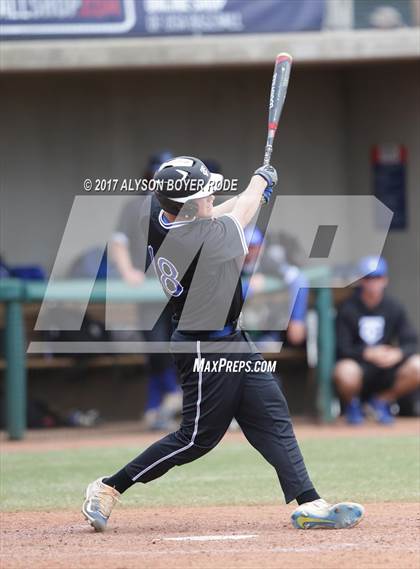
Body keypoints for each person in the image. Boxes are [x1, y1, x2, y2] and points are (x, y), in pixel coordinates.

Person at [82, 156, 364, 532]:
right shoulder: (203, 240)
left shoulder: (159, 214)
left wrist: (256, 191)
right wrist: (260, 184)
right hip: (202, 347)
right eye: (204, 193)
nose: (211, 195)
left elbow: (220, 210)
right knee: (196, 439)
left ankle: (311, 502)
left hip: (232, 338)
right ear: (189, 206)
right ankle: (107, 487)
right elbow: (239, 210)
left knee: (271, 413)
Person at [110, 151, 182, 430]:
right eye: (156, 176)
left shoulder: (186, 205)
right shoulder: (135, 206)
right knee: (156, 345)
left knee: (180, 345)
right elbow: (118, 242)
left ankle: (167, 405)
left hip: (178, 289)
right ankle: (163, 402)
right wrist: (128, 270)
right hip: (148, 290)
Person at [334, 256, 419, 425]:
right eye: (368, 278)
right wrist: (367, 352)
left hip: (387, 369)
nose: (373, 283)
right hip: (359, 367)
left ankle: (380, 402)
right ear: (361, 281)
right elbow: (341, 347)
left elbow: (411, 342)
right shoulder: (347, 307)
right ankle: (354, 405)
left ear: (385, 280)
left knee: (418, 365)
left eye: (377, 278)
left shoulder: (394, 306)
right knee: (344, 371)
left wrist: (397, 353)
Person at [242, 226, 309, 346]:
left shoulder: (268, 261)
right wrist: (248, 286)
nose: (250, 251)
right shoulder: (231, 263)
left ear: (261, 247)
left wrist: (297, 319)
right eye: (247, 246)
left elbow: (298, 279)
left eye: (254, 247)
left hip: (265, 328)